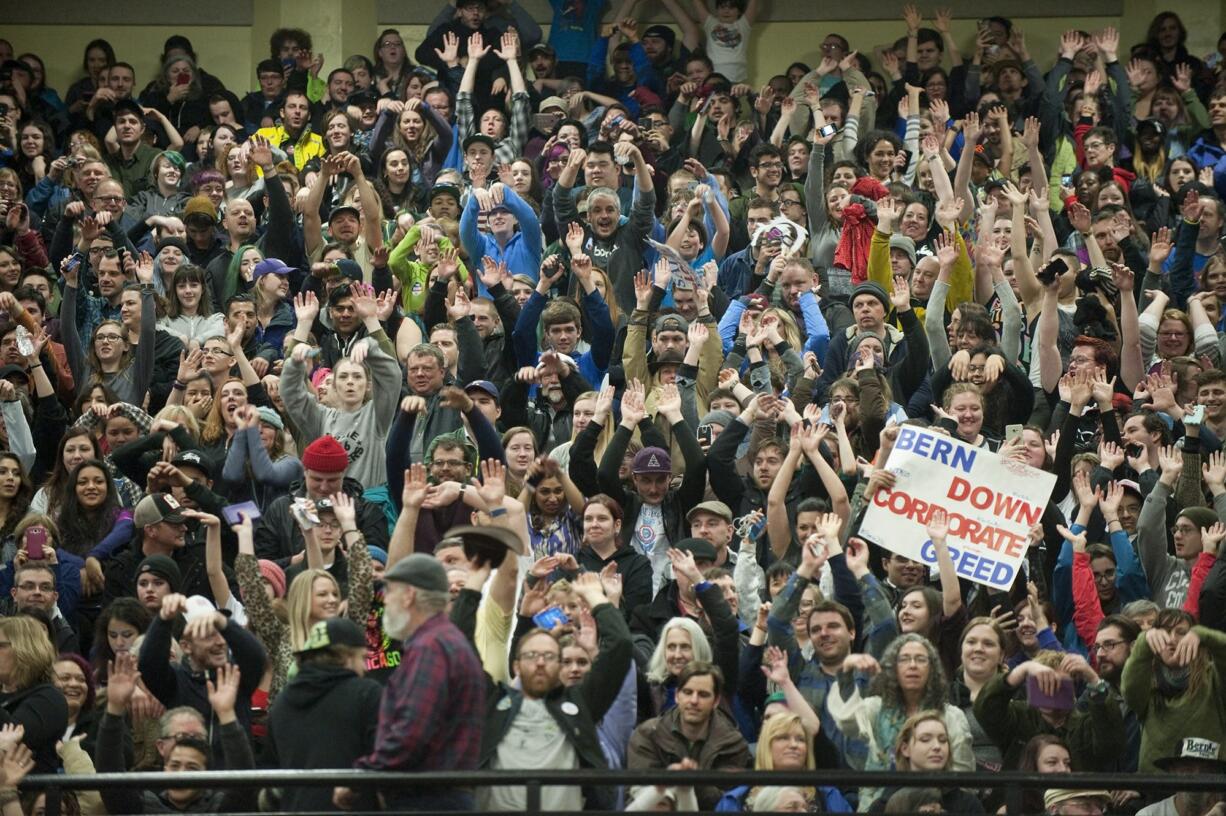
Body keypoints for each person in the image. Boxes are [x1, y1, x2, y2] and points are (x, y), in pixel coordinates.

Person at [342, 554, 484, 812]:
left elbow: (412, 732)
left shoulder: (430, 647)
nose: (385, 601)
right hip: (439, 795)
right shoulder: (442, 641)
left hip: (429, 799)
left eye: (389, 591)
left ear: (408, 595)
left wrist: (361, 775)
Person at [97, 652, 257, 813]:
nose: (181, 775)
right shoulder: (143, 806)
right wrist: (115, 707)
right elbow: (109, 774)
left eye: (192, 768)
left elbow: (244, 785)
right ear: (165, 767)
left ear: (206, 773)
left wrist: (226, 713)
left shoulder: (219, 808)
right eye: (174, 766)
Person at [266, 618, 383, 814]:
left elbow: (270, 779)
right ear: (345, 657)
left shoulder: (280, 704)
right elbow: (384, 759)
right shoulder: (367, 694)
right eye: (362, 658)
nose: (365, 668)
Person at [628, 661, 751, 809]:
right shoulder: (648, 734)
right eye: (687, 692)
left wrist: (694, 780)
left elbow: (725, 803)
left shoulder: (733, 744)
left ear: (716, 701)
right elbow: (639, 793)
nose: (694, 701)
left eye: (703, 695)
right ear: (677, 695)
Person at [0, 615, 67, 774]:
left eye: (0, 646)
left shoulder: (49, 699)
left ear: (24, 649)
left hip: (29, 795)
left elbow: (15, 738)